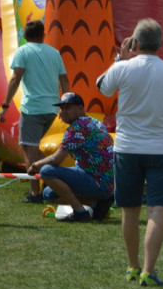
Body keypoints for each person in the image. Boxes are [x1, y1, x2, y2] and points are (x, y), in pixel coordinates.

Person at [96, 18, 163, 286]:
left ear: (134, 43)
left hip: (128, 148)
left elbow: (101, 87)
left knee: (129, 211)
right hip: (162, 151)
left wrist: (119, 60)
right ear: (161, 43)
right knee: (158, 211)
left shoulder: (123, 68)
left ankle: (133, 266)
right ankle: (148, 269)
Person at [0, 20, 70, 203]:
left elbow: (15, 79)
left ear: (25, 36)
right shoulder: (54, 53)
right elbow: (65, 80)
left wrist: (5, 106)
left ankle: (35, 192)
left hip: (33, 109)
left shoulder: (23, 51)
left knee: (30, 150)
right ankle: (58, 177)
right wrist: (66, 104)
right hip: (52, 109)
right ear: (43, 34)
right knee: (29, 148)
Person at [27, 92, 114, 222]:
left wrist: (35, 165)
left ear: (80, 108)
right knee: (48, 194)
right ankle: (98, 204)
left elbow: (56, 160)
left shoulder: (76, 128)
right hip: (107, 183)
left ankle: (80, 212)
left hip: (97, 182)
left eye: (68, 108)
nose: (63, 112)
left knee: (46, 171)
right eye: (62, 108)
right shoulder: (95, 122)